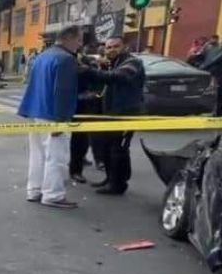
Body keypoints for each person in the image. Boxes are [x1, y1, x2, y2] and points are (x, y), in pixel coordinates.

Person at [17, 25, 82, 209]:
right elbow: (63, 92)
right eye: (78, 39)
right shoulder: (66, 59)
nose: (80, 44)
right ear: (68, 38)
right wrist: (60, 122)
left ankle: (34, 190)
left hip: (35, 111)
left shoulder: (41, 56)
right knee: (56, 156)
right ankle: (53, 195)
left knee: (37, 154)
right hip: (52, 114)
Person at [81, 36, 145, 195]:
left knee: (119, 149)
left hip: (126, 113)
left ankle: (118, 184)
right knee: (109, 148)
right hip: (111, 113)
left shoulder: (132, 63)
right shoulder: (112, 64)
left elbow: (116, 77)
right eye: (109, 47)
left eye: (116, 46)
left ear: (124, 47)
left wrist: (88, 71)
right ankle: (110, 179)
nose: (112, 50)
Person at [70, 49, 105, 183]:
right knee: (79, 139)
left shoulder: (87, 65)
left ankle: (93, 162)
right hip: (79, 107)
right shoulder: (79, 68)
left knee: (89, 138)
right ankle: (75, 170)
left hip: (91, 107)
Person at [198, 35, 222, 115]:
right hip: (209, 70)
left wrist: (205, 66)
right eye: (212, 39)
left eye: (215, 39)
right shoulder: (207, 47)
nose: (213, 40)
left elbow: (216, 60)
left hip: (216, 71)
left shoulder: (219, 47)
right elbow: (201, 56)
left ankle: (216, 111)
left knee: (216, 91)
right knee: (212, 89)